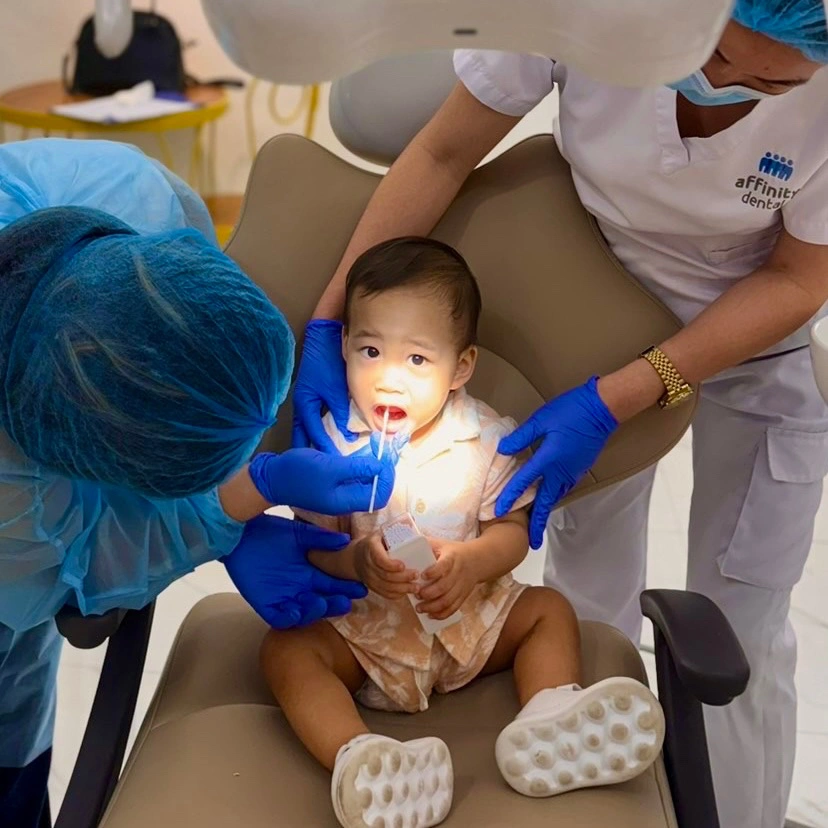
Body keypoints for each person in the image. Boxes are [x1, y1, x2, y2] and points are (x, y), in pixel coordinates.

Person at [291, 4, 828, 827]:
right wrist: (331, 322)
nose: (721, 84)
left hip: (762, 348)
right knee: (583, 583)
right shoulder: (593, 9)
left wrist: (623, 397)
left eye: (768, 81)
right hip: (600, 305)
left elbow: (797, 279)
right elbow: (443, 149)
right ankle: (585, 780)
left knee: (739, 626)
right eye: (711, 52)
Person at [0, 138, 397, 828]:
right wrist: (238, 503)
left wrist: (244, 489)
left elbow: (183, 334)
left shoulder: (133, 195)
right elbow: (84, 560)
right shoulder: (14, 514)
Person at [262, 238, 665, 828]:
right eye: (370, 350)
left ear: (463, 366)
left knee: (548, 610)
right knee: (287, 650)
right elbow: (314, 548)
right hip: (366, 640)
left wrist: (474, 562)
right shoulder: (330, 441)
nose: (389, 379)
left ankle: (550, 716)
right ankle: (360, 757)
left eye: (417, 360)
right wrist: (357, 564)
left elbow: (513, 528)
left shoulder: (486, 438)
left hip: (472, 630)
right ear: (343, 347)